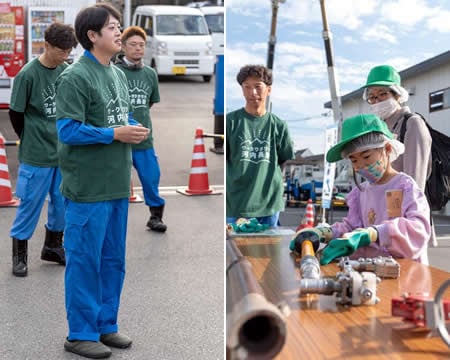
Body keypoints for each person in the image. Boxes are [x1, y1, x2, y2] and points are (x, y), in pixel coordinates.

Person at [55, 4, 150, 359]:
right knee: (84, 261)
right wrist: (115, 133)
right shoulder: (75, 76)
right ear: (92, 36)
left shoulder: (118, 74)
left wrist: (131, 131)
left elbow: (120, 117)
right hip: (87, 188)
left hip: (114, 185)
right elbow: (67, 130)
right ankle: (79, 333)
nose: (119, 32)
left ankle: (105, 325)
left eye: (119, 26)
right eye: (112, 27)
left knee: (113, 260)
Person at [291, 114, 431, 265]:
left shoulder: (405, 186)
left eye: (366, 156)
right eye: (354, 160)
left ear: (388, 149)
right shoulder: (361, 191)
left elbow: (419, 230)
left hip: (405, 270)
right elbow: (352, 227)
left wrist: (373, 234)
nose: (360, 166)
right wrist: (324, 233)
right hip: (369, 269)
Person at [8, 22, 77, 277]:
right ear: (46, 45)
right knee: (30, 203)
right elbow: (16, 113)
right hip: (36, 154)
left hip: (62, 152)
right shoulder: (28, 74)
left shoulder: (67, 70)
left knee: (61, 203)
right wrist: (28, 137)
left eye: (69, 51)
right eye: (61, 50)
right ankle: (19, 255)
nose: (65, 56)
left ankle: (52, 247)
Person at [361, 65, 437, 247]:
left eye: (382, 94)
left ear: (397, 95)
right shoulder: (378, 129)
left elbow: (414, 183)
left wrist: (406, 224)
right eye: (372, 97)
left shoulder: (412, 124)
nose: (377, 100)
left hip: (404, 219)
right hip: (379, 217)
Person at [226, 64, 294, 227]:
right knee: (234, 251)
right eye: (247, 87)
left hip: (269, 204)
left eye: (258, 86)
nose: (252, 92)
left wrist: (268, 180)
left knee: (267, 251)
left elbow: (284, 158)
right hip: (237, 204)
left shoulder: (278, 125)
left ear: (268, 90)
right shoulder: (231, 122)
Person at [114, 26, 167, 232]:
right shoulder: (115, 71)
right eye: (133, 45)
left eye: (141, 45)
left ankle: (155, 216)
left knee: (151, 176)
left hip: (144, 138)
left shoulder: (150, 74)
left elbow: (149, 102)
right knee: (118, 181)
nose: (138, 49)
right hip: (119, 138)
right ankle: (115, 220)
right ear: (123, 47)